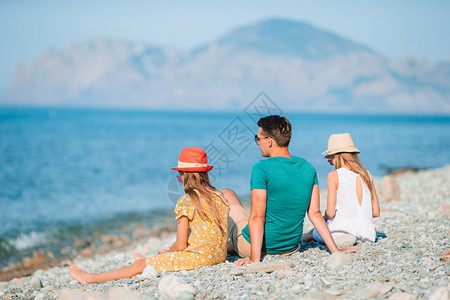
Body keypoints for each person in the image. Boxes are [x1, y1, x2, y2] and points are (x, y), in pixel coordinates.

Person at [70, 147, 229, 284]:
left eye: (180, 175)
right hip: (218, 256)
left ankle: (90, 278)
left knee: (140, 266)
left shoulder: (187, 201)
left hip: (200, 259)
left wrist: (169, 252)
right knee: (163, 255)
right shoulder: (219, 196)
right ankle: (151, 259)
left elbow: (180, 245)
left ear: (184, 175)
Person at [222, 115, 357, 267]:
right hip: (290, 248)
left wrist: (254, 259)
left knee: (227, 194)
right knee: (246, 221)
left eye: (258, 138)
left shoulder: (261, 168)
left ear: (270, 141)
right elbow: (315, 213)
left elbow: (257, 218)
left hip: (258, 248)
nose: (258, 143)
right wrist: (335, 250)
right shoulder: (308, 167)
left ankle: (205, 243)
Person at [302, 133, 380, 244]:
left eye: (330, 157)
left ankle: (292, 243)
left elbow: (330, 213)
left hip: (340, 231)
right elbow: (376, 212)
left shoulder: (334, 175)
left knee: (312, 233)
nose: (330, 161)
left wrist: (323, 218)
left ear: (338, 155)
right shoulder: (367, 174)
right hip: (366, 233)